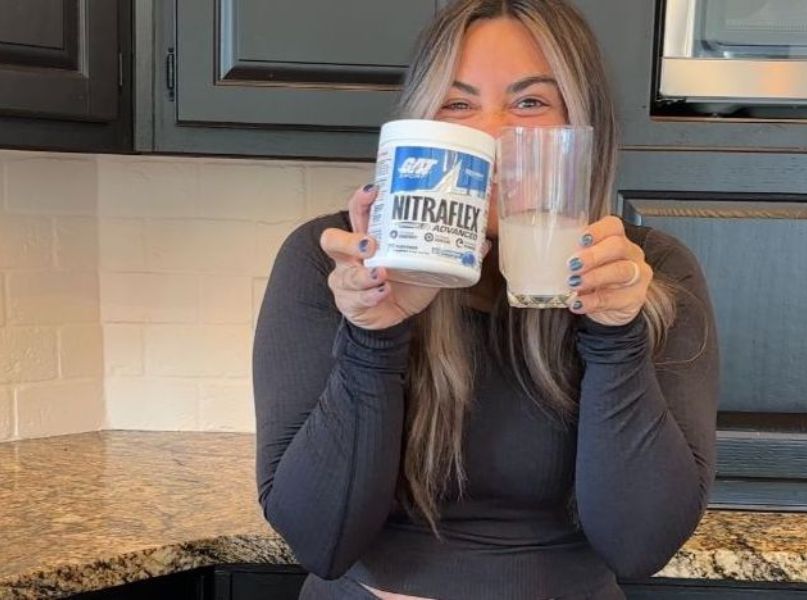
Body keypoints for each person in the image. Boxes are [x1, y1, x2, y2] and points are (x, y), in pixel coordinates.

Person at [253, 0, 719, 598]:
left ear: (582, 128)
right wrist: (373, 336)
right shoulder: (331, 264)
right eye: (457, 102)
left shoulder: (649, 274)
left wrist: (616, 334)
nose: (493, 136)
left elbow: (638, 545)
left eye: (530, 103)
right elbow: (321, 539)